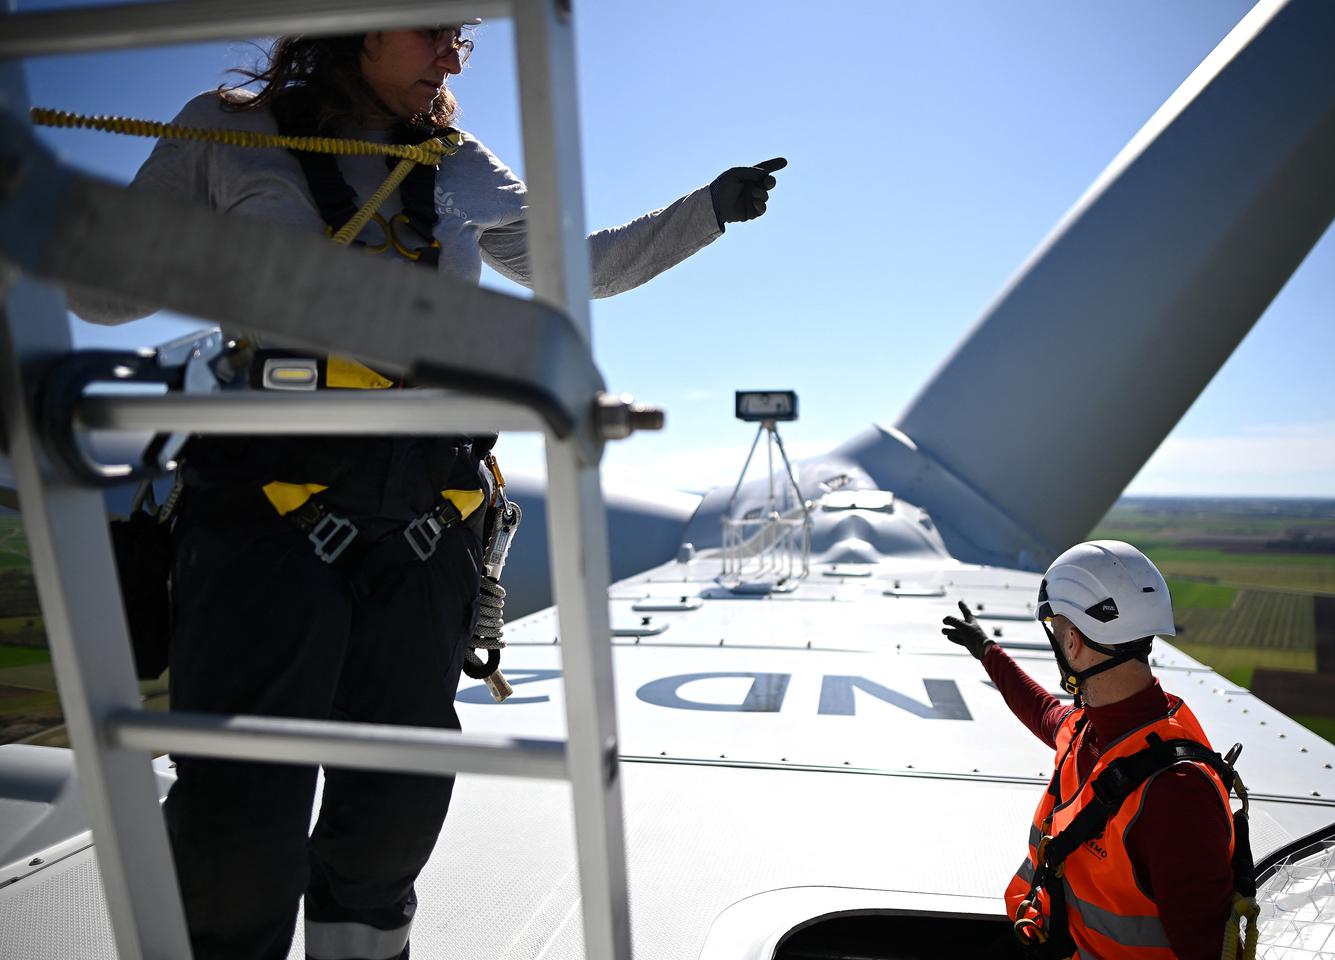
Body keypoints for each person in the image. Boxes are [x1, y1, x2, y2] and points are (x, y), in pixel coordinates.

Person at [69, 24, 785, 960]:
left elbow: (578, 268)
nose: (452, 60)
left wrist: (707, 210)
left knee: (396, 805)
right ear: (354, 24)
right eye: (433, 32)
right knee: (239, 818)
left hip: (426, 503)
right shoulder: (226, 130)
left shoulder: (455, 159)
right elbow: (100, 298)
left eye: (462, 39)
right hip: (265, 494)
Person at [942, 540, 1238, 960]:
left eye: (1057, 631)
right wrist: (987, 651)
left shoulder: (1177, 794)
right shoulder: (1092, 728)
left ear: (1073, 642)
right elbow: (1044, 712)